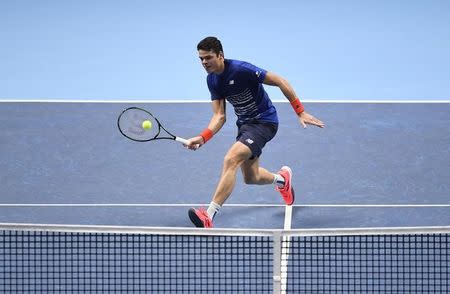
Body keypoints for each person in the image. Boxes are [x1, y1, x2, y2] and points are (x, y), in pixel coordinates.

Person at [186, 36, 324, 228]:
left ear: (220, 55)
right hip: (245, 126)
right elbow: (219, 116)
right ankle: (282, 180)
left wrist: (300, 111)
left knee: (230, 159)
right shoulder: (212, 81)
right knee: (252, 177)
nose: (204, 62)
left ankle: (208, 216)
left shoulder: (241, 69)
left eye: (208, 57)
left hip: (264, 122)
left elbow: (279, 80)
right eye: (201, 59)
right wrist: (203, 138)